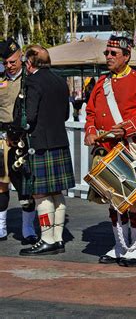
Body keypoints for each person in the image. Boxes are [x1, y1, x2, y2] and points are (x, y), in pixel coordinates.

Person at [85, 36, 136, 267]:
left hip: (129, 147)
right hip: (106, 148)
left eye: (113, 54)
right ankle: (120, 245)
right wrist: (89, 131)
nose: (108, 57)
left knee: (133, 201)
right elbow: (90, 112)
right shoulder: (100, 83)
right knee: (113, 201)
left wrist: (126, 127)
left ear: (126, 56)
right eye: (106, 53)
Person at [18, 45, 75, 255]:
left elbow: (29, 116)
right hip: (59, 141)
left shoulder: (33, 81)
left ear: (30, 63)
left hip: (40, 143)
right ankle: (58, 239)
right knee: (57, 193)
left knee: (41, 194)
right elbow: (66, 114)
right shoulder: (60, 80)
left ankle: (46, 238)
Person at [0, 39, 37, 245]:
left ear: (21, 56)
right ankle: (1, 227)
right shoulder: (0, 79)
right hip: (3, 137)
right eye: (6, 63)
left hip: (24, 139)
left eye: (12, 61)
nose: (9, 66)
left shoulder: (31, 80)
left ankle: (28, 228)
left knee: (26, 184)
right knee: (1, 183)